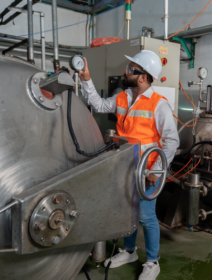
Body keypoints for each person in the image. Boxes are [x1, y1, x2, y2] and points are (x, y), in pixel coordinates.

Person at [79, 50, 179, 280]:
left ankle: (153, 262)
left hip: (148, 171)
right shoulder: (123, 96)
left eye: (131, 69)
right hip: (125, 167)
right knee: (127, 211)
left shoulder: (158, 104)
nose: (126, 72)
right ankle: (130, 251)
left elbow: (172, 140)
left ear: (143, 76)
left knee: (146, 216)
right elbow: (99, 104)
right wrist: (86, 80)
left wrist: (155, 171)